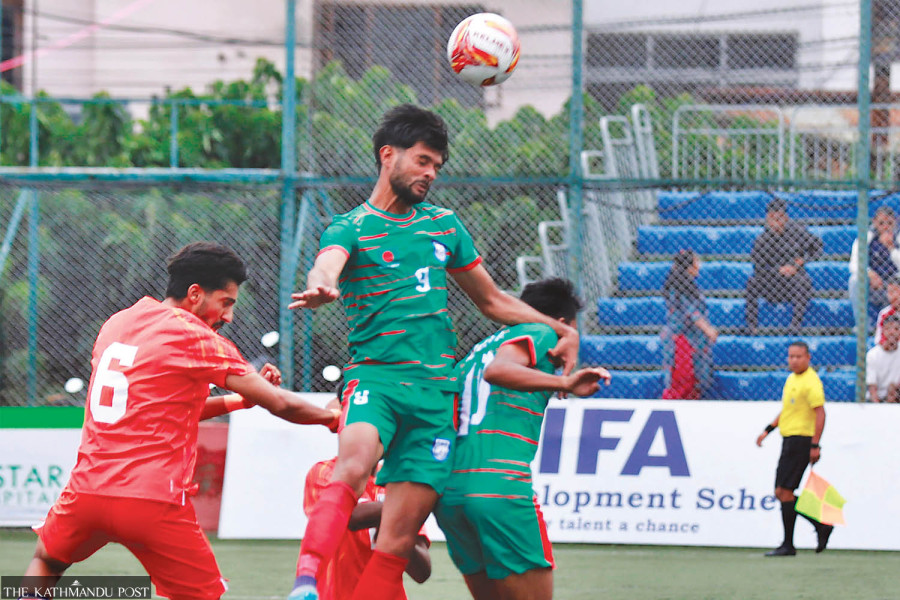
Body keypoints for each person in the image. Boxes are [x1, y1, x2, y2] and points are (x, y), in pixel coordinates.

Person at [286, 104, 579, 600]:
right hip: (375, 379)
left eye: (437, 166)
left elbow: (492, 300)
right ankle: (306, 583)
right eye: (422, 161)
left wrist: (560, 330)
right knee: (353, 467)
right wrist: (321, 285)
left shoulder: (444, 226)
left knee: (398, 540)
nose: (430, 173)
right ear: (387, 155)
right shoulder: (350, 226)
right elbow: (326, 265)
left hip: (434, 397)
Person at [21, 242, 340, 600]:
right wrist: (334, 418)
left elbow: (160, 407)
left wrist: (237, 402)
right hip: (151, 499)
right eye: (226, 302)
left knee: (46, 561)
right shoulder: (195, 336)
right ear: (194, 294)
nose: (229, 316)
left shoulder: (118, 322)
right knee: (202, 595)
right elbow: (281, 403)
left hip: (86, 492)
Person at [434, 278, 610, 600]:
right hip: (498, 488)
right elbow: (499, 371)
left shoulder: (476, 353)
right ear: (561, 323)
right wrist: (566, 383)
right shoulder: (541, 333)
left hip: (450, 494)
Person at [304, 400, 431, 600]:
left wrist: (399, 534)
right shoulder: (325, 472)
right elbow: (349, 517)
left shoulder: (398, 481)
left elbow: (422, 573)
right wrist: (403, 508)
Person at [756, 341, 833, 556]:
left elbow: (820, 413)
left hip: (801, 440)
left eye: (799, 356)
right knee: (782, 492)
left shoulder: (811, 382)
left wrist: (815, 444)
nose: (794, 360)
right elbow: (788, 410)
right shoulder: (791, 379)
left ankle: (792, 542)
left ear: (808, 358)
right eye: (791, 356)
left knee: (784, 491)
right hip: (788, 439)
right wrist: (768, 429)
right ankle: (820, 526)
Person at [745, 199, 823, 335]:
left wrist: (801, 262)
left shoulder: (797, 232)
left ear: (786, 218)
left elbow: (817, 247)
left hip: (793, 280)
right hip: (771, 282)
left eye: (779, 218)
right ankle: (752, 326)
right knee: (752, 282)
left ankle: (795, 325)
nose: (776, 222)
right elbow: (758, 267)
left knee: (804, 281)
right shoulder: (761, 239)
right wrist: (778, 270)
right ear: (768, 219)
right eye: (772, 218)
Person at [660, 250, 718, 399]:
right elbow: (692, 313)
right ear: (689, 267)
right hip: (682, 340)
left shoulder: (687, 285)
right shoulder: (680, 287)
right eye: (696, 262)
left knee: (694, 383)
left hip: (692, 339)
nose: (699, 266)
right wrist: (708, 330)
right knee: (682, 381)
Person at [848, 206, 900, 331]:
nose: (885, 227)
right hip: (874, 286)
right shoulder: (866, 238)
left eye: (889, 223)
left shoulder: (897, 239)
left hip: (895, 284)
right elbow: (854, 264)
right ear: (875, 223)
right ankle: (863, 326)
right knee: (855, 280)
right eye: (881, 223)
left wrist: (891, 248)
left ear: (895, 222)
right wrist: (869, 273)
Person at [866, 314, 900, 403]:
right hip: (878, 398)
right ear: (883, 331)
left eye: (896, 329)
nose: (892, 332)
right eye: (888, 328)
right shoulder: (873, 355)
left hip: (896, 395)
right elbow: (872, 387)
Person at [874, 275, 900, 345]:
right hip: (892, 351)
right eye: (890, 292)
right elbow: (878, 340)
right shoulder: (884, 313)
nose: (894, 296)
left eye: (896, 291)